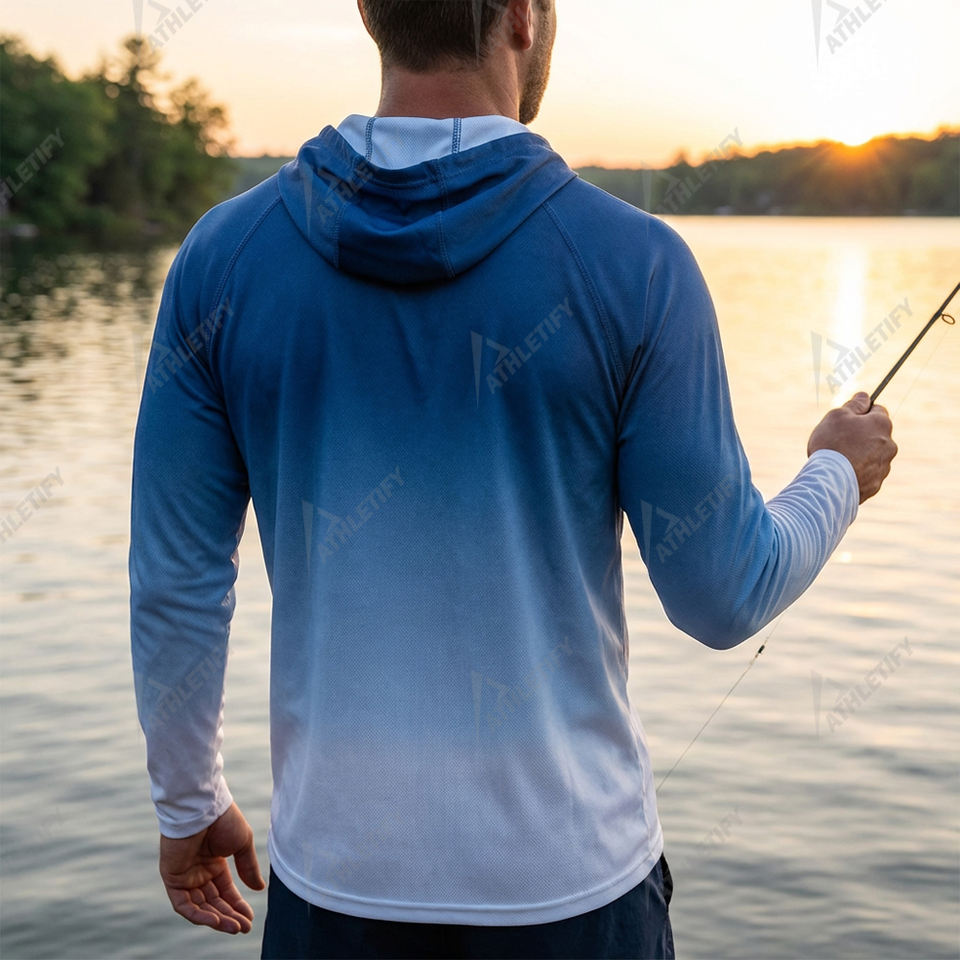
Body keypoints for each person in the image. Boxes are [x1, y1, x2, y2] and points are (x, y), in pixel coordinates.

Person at [128, 1, 898, 957]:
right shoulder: (637, 265)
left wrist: (187, 800)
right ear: (524, 19)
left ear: (368, 11)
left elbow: (175, 579)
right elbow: (724, 593)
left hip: (334, 891)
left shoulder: (221, 259)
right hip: (577, 895)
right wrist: (836, 472)